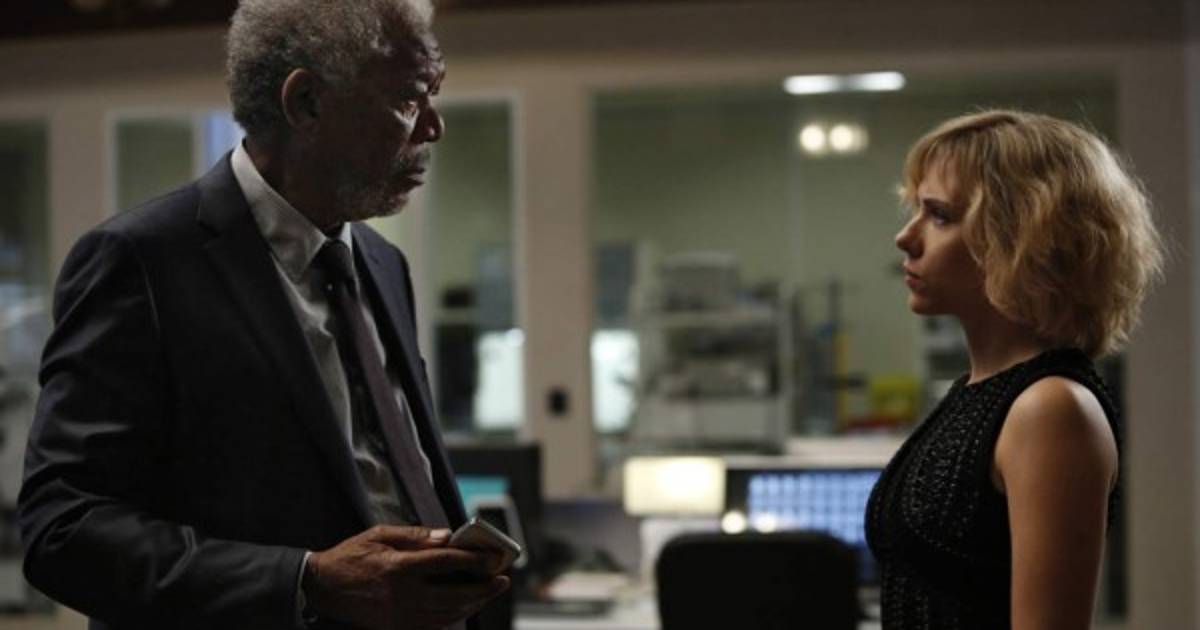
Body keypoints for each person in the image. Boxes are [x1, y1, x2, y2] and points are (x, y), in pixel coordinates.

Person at [17, 1, 510, 629]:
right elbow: (63, 530)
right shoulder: (141, 262)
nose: (434, 128)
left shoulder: (383, 264)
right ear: (305, 103)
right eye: (410, 100)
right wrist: (306, 582)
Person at [865, 109, 1163, 629]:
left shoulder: (1050, 408)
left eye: (939, 216)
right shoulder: (977, 392)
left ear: (1021, 239)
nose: (905, 237)